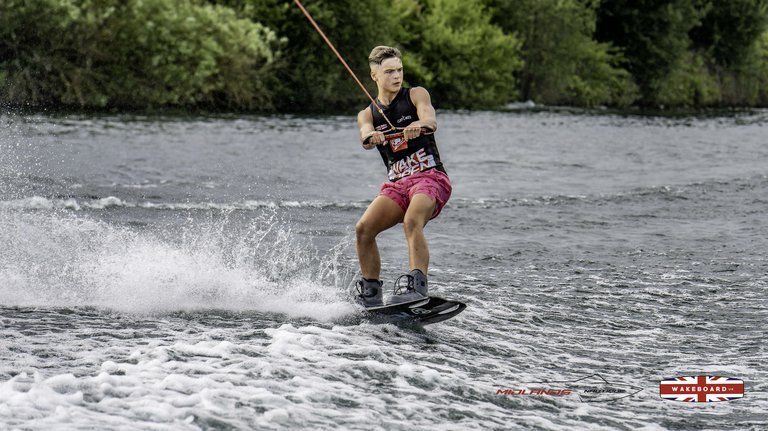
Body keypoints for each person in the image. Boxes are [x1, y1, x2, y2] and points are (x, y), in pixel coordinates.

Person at [354, 46, 452, 307]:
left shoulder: (416, 95)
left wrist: (418, 125)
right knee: (364, 229)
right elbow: (365, 135)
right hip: (398, 185)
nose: (397, 76)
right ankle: (371, 294)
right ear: (374, 76)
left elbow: (430, 119)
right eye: (389, 72)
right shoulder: (367, 114)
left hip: (430, 177)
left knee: (412, 220)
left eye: (399, 70)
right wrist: (371, 136)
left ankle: (417, 287)